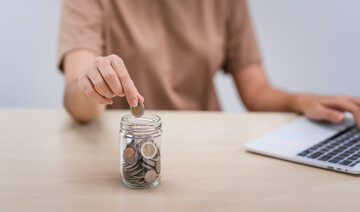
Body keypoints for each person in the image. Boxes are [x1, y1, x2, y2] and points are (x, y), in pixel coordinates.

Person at [58, 0, 360, 127]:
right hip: (126, 147)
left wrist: (301, 100)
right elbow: (77, 101)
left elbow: (255, 92)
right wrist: (92, 86)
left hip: (207, 143)